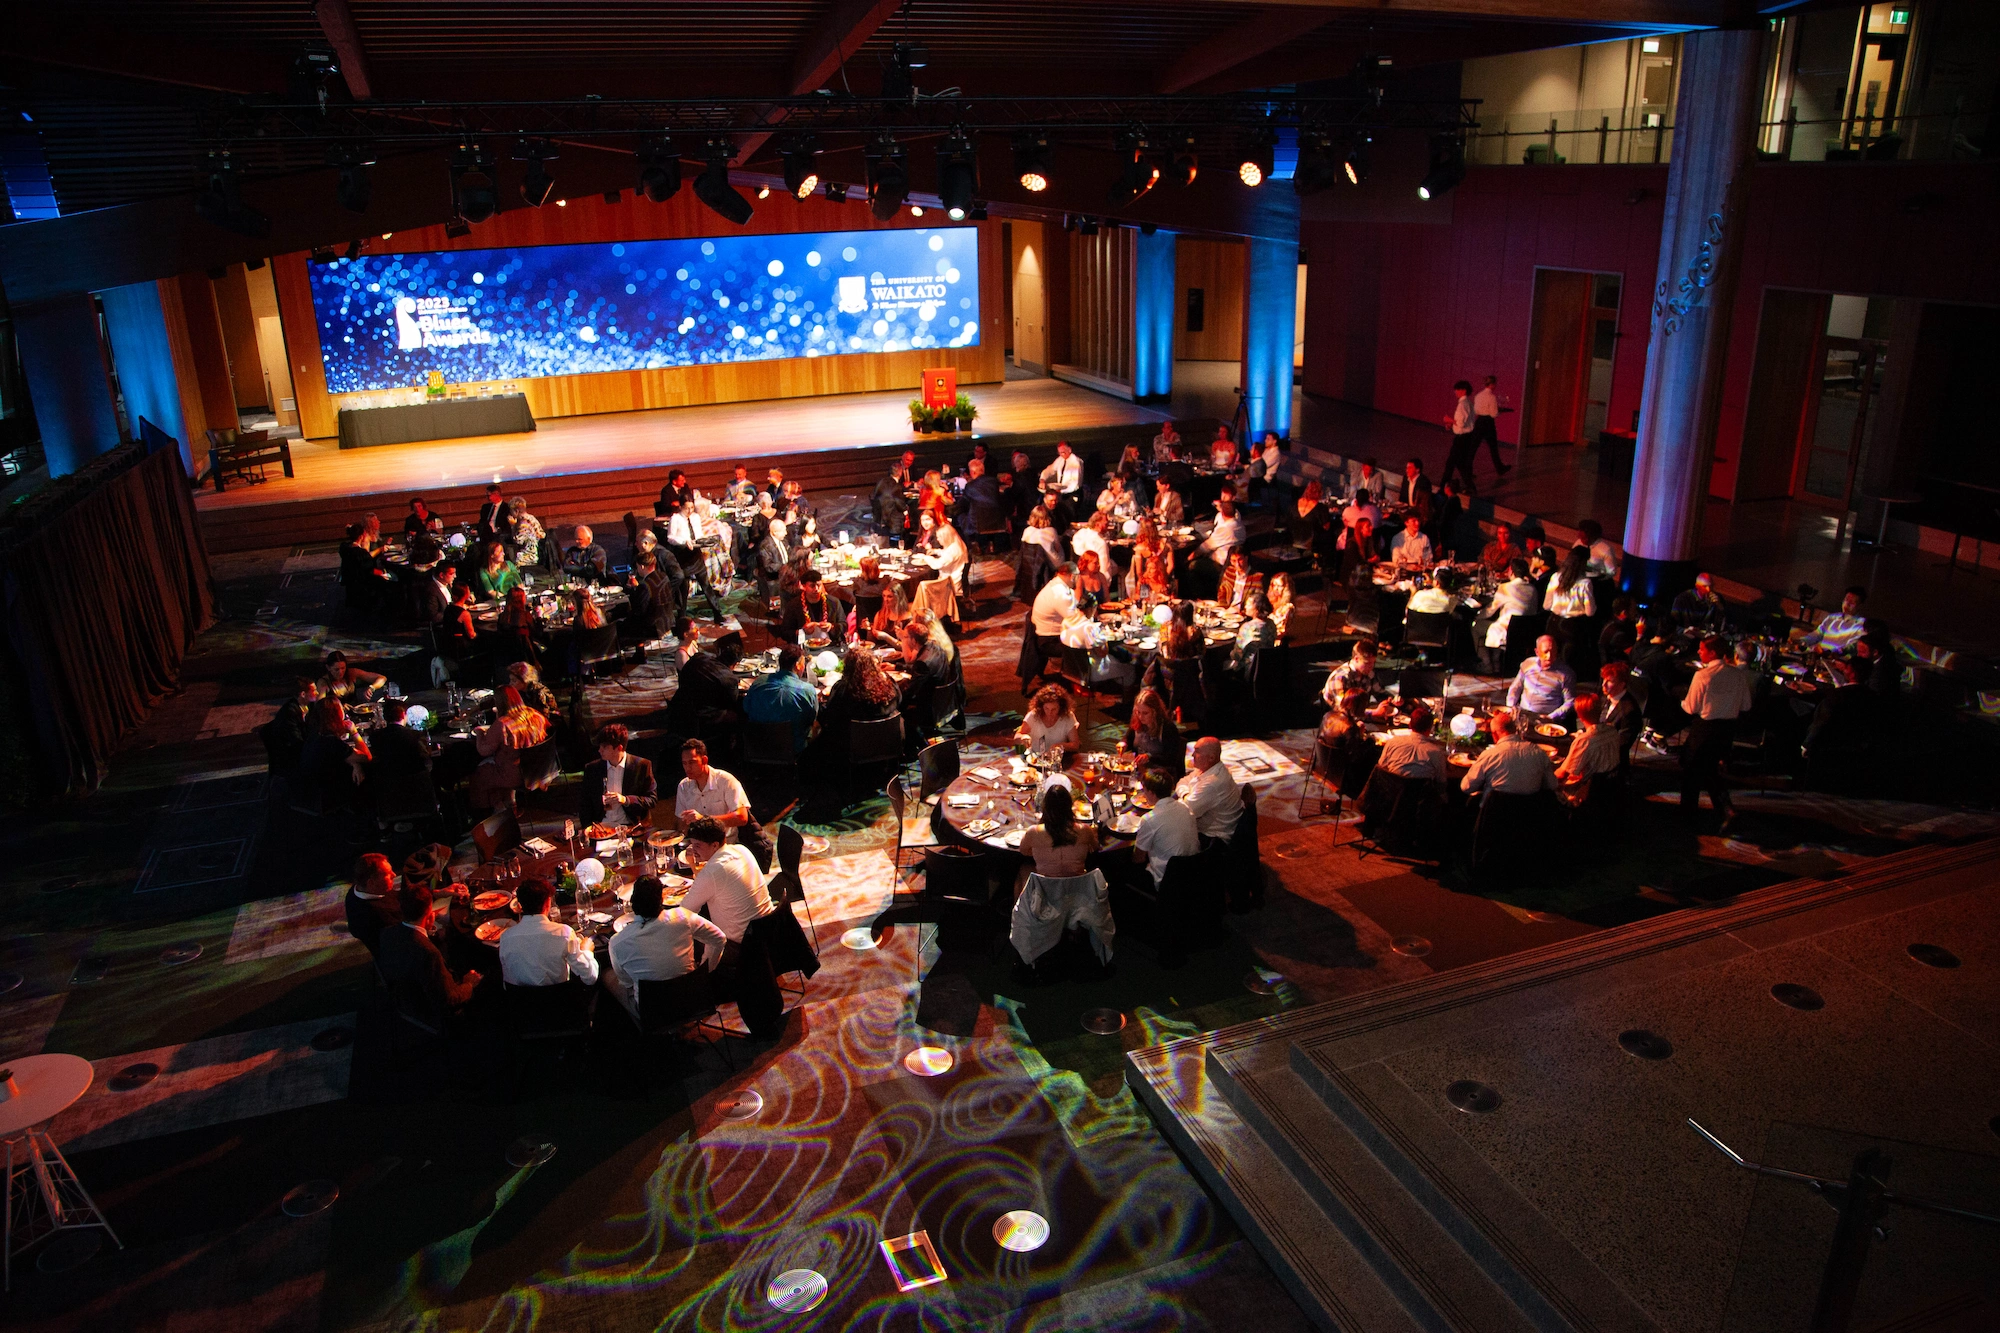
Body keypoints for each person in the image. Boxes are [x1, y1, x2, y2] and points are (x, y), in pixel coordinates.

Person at [678, 817, 783, 1037]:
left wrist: (693, 868)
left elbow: (684, 913)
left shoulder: (712, 872)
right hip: (769, 931)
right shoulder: (741, 850)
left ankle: (698, 998)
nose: (693, 849)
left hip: (741, 947)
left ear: (715, 845)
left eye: (698, 845)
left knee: (684, 940)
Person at [604, 875, 729, 1019]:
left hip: (654, 1013)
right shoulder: (683, 917)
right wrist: (705, 969)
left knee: (607, 976)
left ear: (633, 902)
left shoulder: (617, 942)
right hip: (693, 1000)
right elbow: (719, 938)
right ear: (661, 899)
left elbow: (627, 982)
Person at [377, 885, 482, 1028]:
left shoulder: (386, 933)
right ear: (430, 914)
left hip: (404, 998)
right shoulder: (428, 953)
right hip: (431, 1011)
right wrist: (469, 983)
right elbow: (450, 999)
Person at [1680, 634, 1754, 828]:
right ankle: (1726, 810)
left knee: (1691, 772)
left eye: (1702, 649)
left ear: (1712, 653)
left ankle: (1688, 817)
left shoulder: (1703, 676)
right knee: (1712, 770)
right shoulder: (1738, 675)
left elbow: (1691, 708)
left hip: (1705, 730)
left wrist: (1680, 699)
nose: (1698, 651)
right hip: (1727, 731)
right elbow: (1746, 705)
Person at [497, 878, 601, 988]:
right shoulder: (564, 933)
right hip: (559, 1001)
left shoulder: (506, 937)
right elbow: (590, 977)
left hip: (520, 1003)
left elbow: (507, 980)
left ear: (519, 906)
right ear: (548, 902)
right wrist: (586, 951)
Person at [1459, 710, 1556, 801]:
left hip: (1493, 814)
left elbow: (1466, 787)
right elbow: (1552, 785)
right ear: (1514, 729)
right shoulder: (1539, 753)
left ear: (1495, 735)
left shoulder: (1489, 755)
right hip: (1528, 815)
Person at [577, 723, 656, 831]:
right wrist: (588, 829)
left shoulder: (641, 766)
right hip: (602, 828)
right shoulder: (592, 769)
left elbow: (651, 800)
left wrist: (625, 799)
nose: (599, 750)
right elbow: (584, 804)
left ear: (619, 748)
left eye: (604, 747)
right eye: (600, 746)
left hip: (631, 827)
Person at [1131, 766, 1200, 888]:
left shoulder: (1150, 819)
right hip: (1193, 873)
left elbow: (1138, 858)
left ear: (1151, 793)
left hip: (1167, 881)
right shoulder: (1186, 807)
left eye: (1145, 790)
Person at [745, 643, 818, 753]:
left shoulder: (758, 682)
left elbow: (746, 708)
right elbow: (811, 719)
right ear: (798, 665)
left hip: (758, 747)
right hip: (793, 750)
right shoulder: (807, 690)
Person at [1016, 785, 1099, 881]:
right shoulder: (1085, 830)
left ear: (1045, 806)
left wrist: (1042, 852)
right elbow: (1095, 847)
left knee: (1023, 868)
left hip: (1046, 887)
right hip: (1077, 887)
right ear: (1069, 806)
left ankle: (1022, 896)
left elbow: (1024, 851)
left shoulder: (1033, 832)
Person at [674, 738, 753, 836]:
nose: (687, 768)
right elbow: (681, 823)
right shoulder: (683, 786)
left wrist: (704, 820)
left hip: (726, 843)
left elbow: (742, 817)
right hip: (697, 845)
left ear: (704, 760)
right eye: (684, 763)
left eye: (692, 762)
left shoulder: (725, 780)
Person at [1174, 737, 1241, 841]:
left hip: (1213, 839)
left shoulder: (1213, 782)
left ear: (1211, 758)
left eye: (1197, 751)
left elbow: (1186, 811)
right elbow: (1182, 782)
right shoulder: (1205, 769)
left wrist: (1186, 798)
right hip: (1203, 829)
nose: (1192, 755)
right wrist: (1186, 795)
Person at [1544, 545, 1598, 675]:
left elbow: (1546, 605)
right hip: (1573, 627)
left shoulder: (1555, 578)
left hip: (1554, 624)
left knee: (1551, 660)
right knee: (1567, 665)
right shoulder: (1585, 583)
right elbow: (1590, 612)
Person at [1479, 557, 1538, 674]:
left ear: (1511, 571)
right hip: (1527, 630)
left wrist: (1478, 615)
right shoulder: (1533, 589)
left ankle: (1487, 664)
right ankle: (1496, 662)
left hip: (1509, 630)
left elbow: (1491, 610)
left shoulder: (1505, 587)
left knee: (1476, 626)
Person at [1555, 692, 1622, 790]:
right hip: (1612, 785)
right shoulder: (1612, 731)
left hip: (1590, 789)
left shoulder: (1584, 741)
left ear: (1579, 715)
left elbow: (1563, 773)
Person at [1506, 635, 1577, 722]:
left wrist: (1551, 717)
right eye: (1545, 652)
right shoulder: (1528, 664)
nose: (1549, 656)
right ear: (1537, 652)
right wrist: (1510, 706)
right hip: (1522, 714)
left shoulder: (1565, 674)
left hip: (1545, 719)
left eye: (1552, 651)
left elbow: (1570, 701)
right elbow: (1515, 687)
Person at [1376, 703, 1448, 786]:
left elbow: (1381, 768)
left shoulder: (1392, 742)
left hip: (1392, 794)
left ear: (1410, 724)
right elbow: (1442, 782)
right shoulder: (1436, 753)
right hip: (1420, 797)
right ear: (1430, 728)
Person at [344, 852, 401, 957]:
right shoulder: (376, 915)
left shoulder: (356, 891)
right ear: (371, 883)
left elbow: (395, 896)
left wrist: (434, 894)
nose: (394, 875)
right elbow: (406, 938)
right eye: (387, 874)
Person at [1029, 562, 1079, 681]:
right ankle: (1079, 681)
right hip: (1048, 641)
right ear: (1072, 576)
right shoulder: (1060, 594)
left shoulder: (1054, 585)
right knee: (1084, 644)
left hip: (1043, 636)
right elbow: (1074, 621)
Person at [366, 697, 434, 784]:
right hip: (416, 785)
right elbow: (425, 758)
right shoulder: (416, 736)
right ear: (403, 714)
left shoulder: (375, 737)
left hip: (389, 786)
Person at [266, 676, 322, 774]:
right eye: (314, 690)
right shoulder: (289, 712)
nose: (317, 693)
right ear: (303, 694)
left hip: (304, 747)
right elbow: (296, 741)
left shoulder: (309, 705)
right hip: (290, 755)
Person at [1122, 687, 1181, 776]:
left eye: (1145, 713)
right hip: (1140, 770)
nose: (1140, 717)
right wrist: (1124, 744)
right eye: (1138, 712)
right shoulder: (1137, 722)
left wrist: (1149, 757)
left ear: (1155, 712)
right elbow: (1128, 740)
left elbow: (1171, 758)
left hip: (1160, 774)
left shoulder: (1167, 728)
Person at [1016, 683, 1079, 760]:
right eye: (1046, 708)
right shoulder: (1033, 715)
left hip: (1058, 759)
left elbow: (1075, 744)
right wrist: (1023, 737)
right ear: (1041, 706)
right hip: (1035, 758)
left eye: (1054, 709)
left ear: (1061, 707)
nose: (1050, 712)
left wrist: (1060, 746)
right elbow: (1017, 736)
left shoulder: (1068, 717)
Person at [1798, 586, 1869, 654]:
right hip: (1820, 656)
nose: (1847, 604)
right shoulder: (1832, 617)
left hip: (1839, 661)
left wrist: (1834, 652)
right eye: (1846, 600)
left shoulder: (1862, 624)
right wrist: (1803, 641)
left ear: (1860, 606)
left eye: (1852, 602)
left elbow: (1852, 646)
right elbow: (1818, 633)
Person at [955, 456, 1007, 538]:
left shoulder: (970, 486)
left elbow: (963, 504)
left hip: (978, 524)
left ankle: (968, 544)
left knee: (959, 516)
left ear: (972, 472)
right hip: (997, 521)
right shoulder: (994, 482)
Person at [1323, 638, 1381, 707]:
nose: (1371, 666)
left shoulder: (1369, 673)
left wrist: (1391, 701)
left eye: (1373, 663)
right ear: (1356, 659)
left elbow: (1379, 693)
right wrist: (1374, 713)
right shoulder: (1340, 678)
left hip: (1361, 710)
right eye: (1367, 663)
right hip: (1338, 715)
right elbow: (1344, 708)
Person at [1442, 380, 1478, 491]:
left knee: (1451, 463)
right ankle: (1470, 486)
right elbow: (1466, 422)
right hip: (1467, 437)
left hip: (1461, 439)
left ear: (1463, 390)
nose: (1455, 392)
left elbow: (1461, 423)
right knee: (1459, 463)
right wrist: (1452, 424)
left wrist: (1449, 420)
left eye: (1457, 389)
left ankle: (1443, 485)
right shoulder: (1469, 403)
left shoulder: (1462, 404)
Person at [1472, 375, 1510, 477]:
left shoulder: (1478, 395)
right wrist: (1499, 412)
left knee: (1474, 446)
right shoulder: (1492, 397)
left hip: (1479, 421)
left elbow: (1475, 410)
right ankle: (1499, 468)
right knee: (1493, 446)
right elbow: (1493, 414)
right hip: (1488, 423)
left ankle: (1468, 469)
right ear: (1492, 384)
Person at [1230, 595, 1276, 675]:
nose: (1245, 606)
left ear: (1257, 608)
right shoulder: (1271, 623)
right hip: (1269, 666)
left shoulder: (1247, 628)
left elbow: (1237, 655)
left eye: (1248, 604)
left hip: (1250, 670)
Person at [322, 650, 386, 703]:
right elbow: (320, 706)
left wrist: (372, 687)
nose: (340, 672)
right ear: (328, 668)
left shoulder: (352, 673)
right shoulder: (323, 682)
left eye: (343, 668)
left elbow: (382, 678)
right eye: (336, 669)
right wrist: (339, 706)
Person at [1195, 500, 1245, 568]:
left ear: (1222, 513)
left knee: (1193, 564)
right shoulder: (1240, 525)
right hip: (1234, 561)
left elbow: (1205, 547)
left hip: (1221, 564)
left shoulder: (1225, 529)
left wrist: (1190, 557)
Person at [506, 496, 546, 570]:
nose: (510, 514)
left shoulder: (522, 523)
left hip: (528, 556)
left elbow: (518, 541)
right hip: (538, 552)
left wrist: (513, 526)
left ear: (516, 511)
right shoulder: (532, 518)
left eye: (511, 511)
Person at [1071, 510, 1113, 576]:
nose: (1108, 526)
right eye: (1106, 524)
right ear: (1098, 524)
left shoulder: (1079, 534)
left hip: (1078, 573)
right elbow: (1105, 569)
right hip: (1095, 576)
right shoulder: (1100, 543)